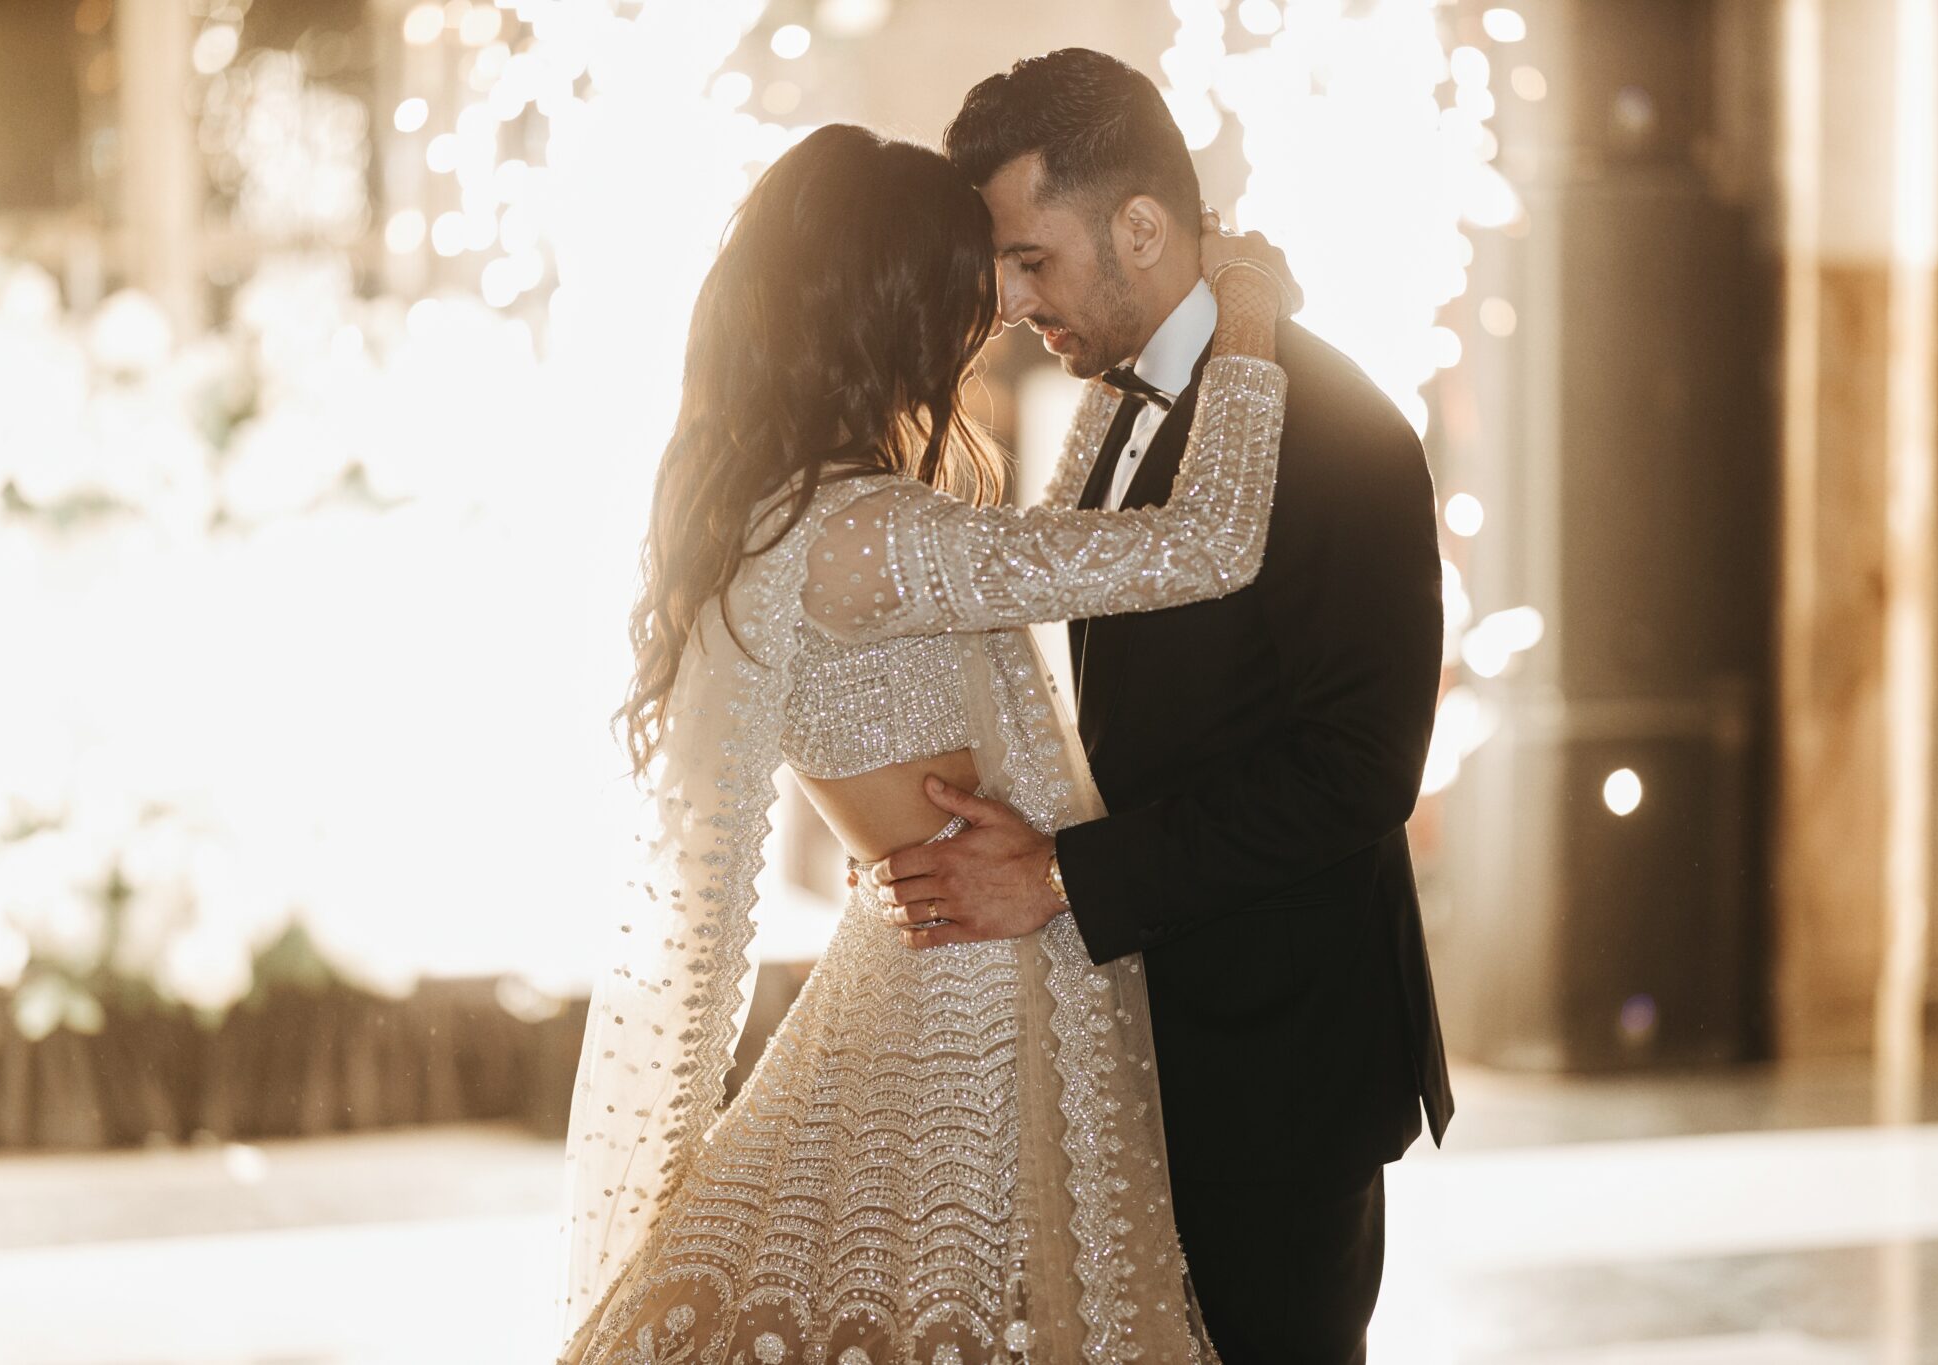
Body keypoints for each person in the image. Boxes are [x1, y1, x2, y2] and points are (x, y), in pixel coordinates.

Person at [554, 119, 1293, 1365]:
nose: (997, 306)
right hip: (969, 1013)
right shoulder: (870, 536)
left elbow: (1040, 552)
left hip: (928, 968)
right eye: (971, 276)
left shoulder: (804, 518)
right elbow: (1209, 542)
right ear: (889, 302)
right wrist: (1250, 308)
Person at [865, 49, 1456, 1364]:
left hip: (1279, 1052)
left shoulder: (1339, 428)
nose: (1011, 303)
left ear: (1139, 226)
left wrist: (1063, 877)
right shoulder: (1106, 410)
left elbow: (1358, 768)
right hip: (1145, 1028)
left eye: (1031, 260)